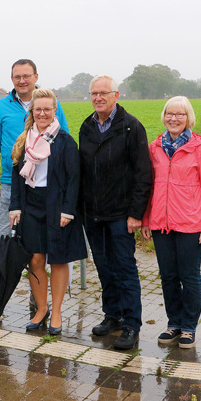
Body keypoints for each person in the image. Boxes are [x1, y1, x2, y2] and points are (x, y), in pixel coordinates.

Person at [0, 59, 69, 316]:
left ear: (35, 76)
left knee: (40, 244)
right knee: (4, 241)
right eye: (17, 76)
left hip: (44, 188)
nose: (22, 80)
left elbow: (63, 140)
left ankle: (38, 301)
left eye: (26, 76)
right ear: (12, 79)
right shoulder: (0, 108)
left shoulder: (52, 105)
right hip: (11, 185)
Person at [79, 75, 152, 350]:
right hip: (94, 213)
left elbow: (143, 173)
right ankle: (113, 316)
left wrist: (136, 213)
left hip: (121, 214)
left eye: (103, 93)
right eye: (94, 93)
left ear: (116, 95)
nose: (98, 98)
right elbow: (82, 170)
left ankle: (132, 324)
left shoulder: (132, 127)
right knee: (104, 267)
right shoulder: (86, 127)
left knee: (124, 268)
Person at [141, 96, 201, 349]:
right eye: (169, 114)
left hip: (190, 223)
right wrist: (145, 218)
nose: (174, 119)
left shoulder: (199, 148)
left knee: (190, 276)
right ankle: (173, 323)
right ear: (164, 116)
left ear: (188, 118)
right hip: (160, 224)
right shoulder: (155, 147)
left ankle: (188, 327)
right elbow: (149, 186)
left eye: (180, 115)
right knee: (168, 276)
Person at [9, 89, 86, 335]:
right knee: (35, 260)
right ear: (32, 112)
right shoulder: (24, 140)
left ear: (54, 111)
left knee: (59, 259)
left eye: (47, 109)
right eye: (37, 109)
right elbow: (16, 178)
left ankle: (56, 312)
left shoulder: (64, 140)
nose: (42, 113)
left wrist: (67, 211)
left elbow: (74, 179)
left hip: (57, 206)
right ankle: (41, 309)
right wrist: (15, 207)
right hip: (31, 206)